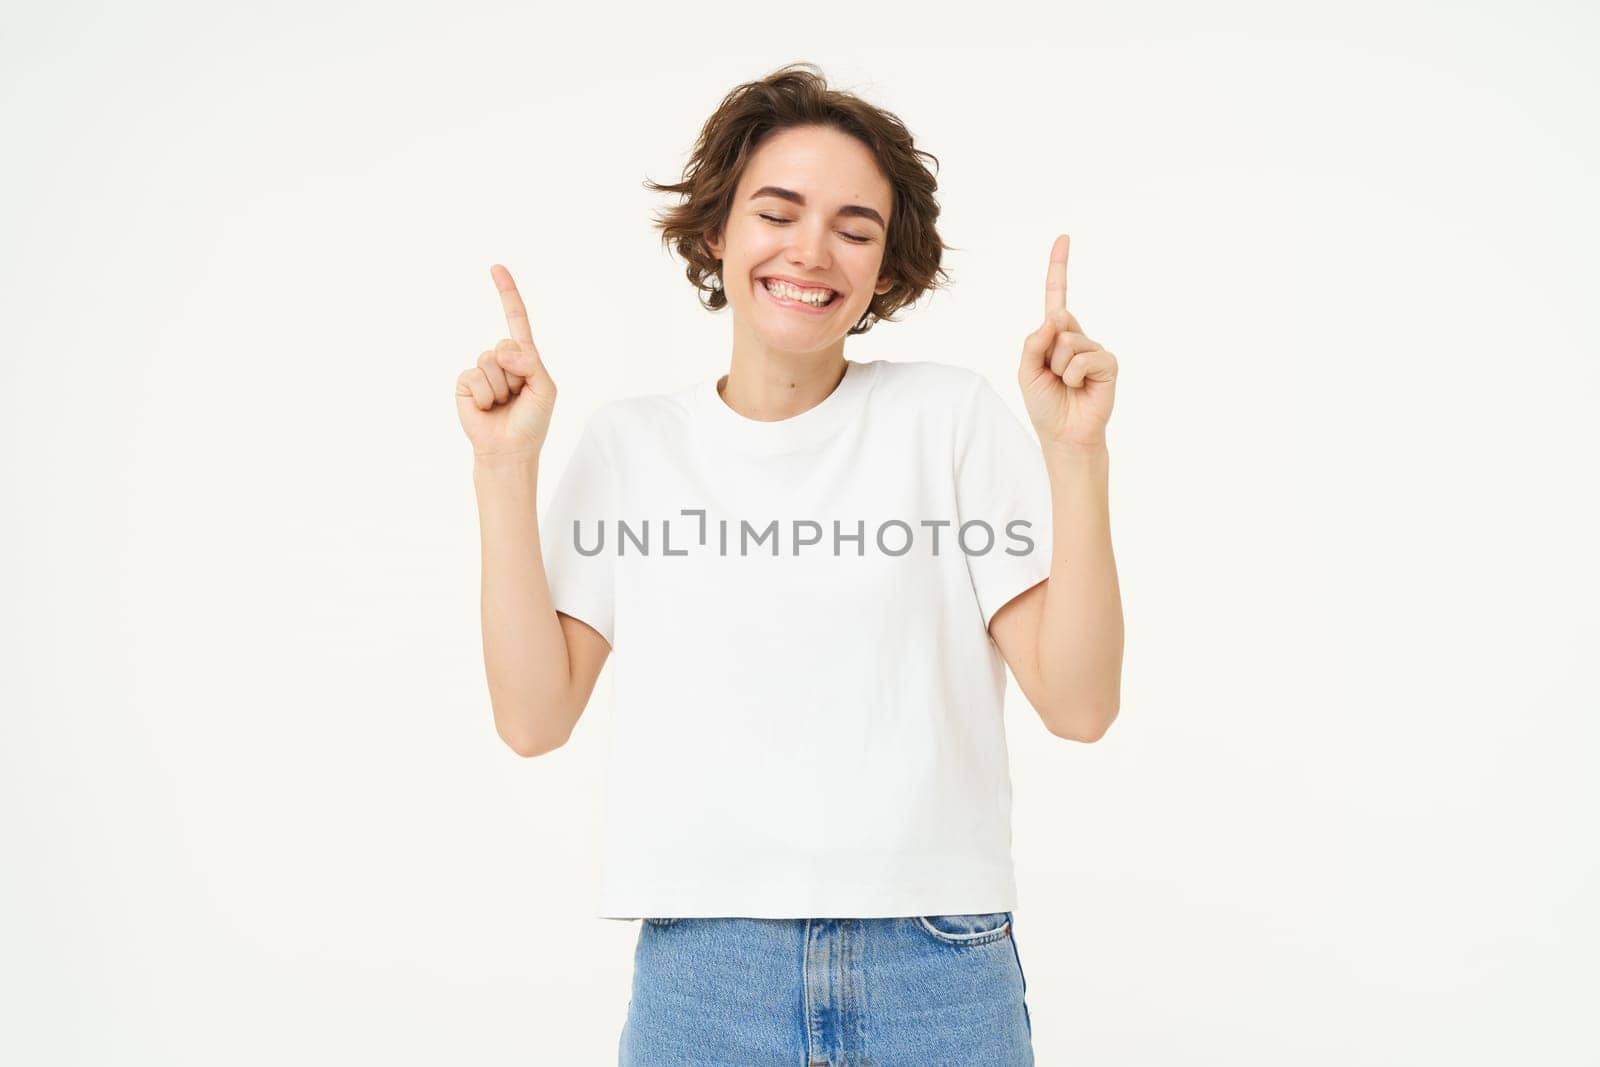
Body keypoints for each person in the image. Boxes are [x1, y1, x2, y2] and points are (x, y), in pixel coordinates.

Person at [456, 62, 1123, 1067]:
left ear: (886, 270)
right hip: (703, 972)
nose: (811, 250)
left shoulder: (946, 421)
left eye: (854, 229)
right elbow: (532, 716)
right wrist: (504, 468)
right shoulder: (631, 446)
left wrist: (1075, 454)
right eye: (777, 212)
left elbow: (1079, 704)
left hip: (936, 961)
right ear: (716, 230)